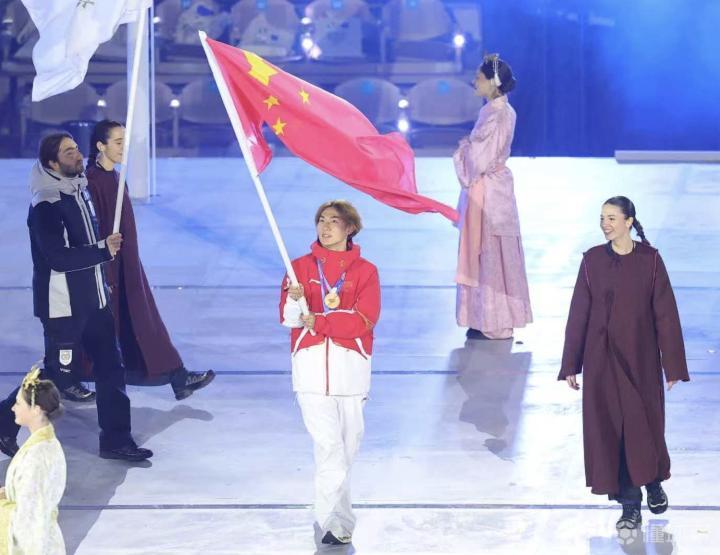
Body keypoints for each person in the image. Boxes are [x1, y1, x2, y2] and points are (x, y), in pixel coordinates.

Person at [0, 133, 152, 462]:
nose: (78, 155)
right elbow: (57, 258)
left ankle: (116, 440)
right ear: (52, 163)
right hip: (64, 307)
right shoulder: (46, 204)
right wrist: (102, 250)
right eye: (68, 153)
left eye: (76, 149)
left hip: (94, 301)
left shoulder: (77, 189)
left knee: (111, 369)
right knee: (59, 374)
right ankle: (3, 421)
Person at [558, 196, 690, 530]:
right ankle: (630, 507)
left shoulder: (650, 260)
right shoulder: (592, 261)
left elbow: (666, 315)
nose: (605, 224)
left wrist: (672, 365)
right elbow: (579, 313)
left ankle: (653, 481)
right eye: (602, 218)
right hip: (602, 361)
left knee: (643, 427)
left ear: (629, 221)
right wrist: (571, 362)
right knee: (613, 433)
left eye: (612, 218)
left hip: (640, 361)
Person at [77, 120, 214, 399]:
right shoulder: (91, 182)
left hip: (127, 266)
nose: (123, 148)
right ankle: (64, 376)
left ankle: (177, 376)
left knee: (144, 321)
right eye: (118, 142)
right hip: (106, 268)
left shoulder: (117, 178)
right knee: (110, 327)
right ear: (100, 145)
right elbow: (90, 229)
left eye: (125, 142)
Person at [279, 200, 380, 545]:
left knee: (345, 453)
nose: (325, 227)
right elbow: (289, 320)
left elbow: (364, 320)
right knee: (329, 449)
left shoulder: (366, 271)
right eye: (321, 220)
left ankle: (341, 525)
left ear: (350, 228)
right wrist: (294, 299)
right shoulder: (298, 268)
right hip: (309, 373)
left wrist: (320, 321)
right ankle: (324, 516)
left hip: (351, 374)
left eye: (334, 221)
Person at [453, 53, 532, 340]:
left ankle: (493, 321)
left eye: (479, 78)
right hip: (493, 188)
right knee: (492, 252)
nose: (475, 82)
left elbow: (478, 159)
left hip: (488, 190)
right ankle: (487, 318)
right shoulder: (499, 110)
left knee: (488, 252)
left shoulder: (495, 113)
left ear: (493, 82)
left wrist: (463, 150)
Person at [0, 367, 66, 554]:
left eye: (18, 403)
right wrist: (7, 492)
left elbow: (28, 520)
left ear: (36, 410)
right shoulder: (47, 444)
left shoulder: (36, 458)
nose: (13, 408)